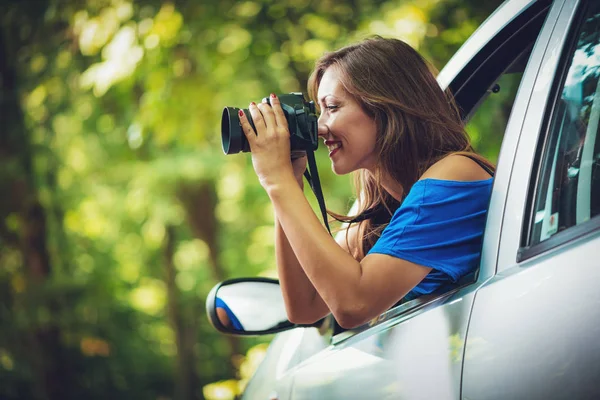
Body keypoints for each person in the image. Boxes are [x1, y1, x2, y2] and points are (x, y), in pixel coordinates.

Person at [237, 36, 495, 329]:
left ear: (385, 107)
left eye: (332, 107)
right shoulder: (378, 202)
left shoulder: (455, 173)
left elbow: (353, 305)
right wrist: (290, 181)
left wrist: (277, 181)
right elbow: (305, 306)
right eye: (319, 111)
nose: (320, 127)